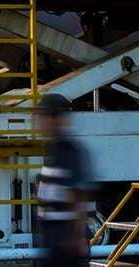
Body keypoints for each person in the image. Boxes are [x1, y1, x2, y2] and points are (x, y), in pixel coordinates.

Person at [35, 93, 92, 267]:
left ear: (55, 119)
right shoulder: (52, 150)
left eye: (43, 117)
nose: (40, 122)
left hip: (66, 243)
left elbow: (79, 196)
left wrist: (78, 237)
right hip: (52, 239)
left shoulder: (69, 152)